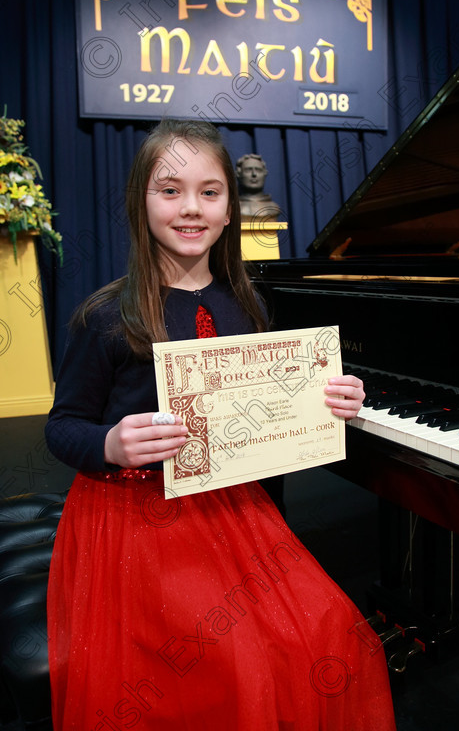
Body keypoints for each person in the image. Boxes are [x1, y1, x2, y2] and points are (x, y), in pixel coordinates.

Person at [45, 119, 396, 730]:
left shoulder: (248, 306)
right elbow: (61, 426)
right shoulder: (105, 316)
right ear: (139, 201)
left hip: (230, 509)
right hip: (135, 520)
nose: (191, 207)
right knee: (227, 659)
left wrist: (326, 400)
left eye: (210, 192)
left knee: (337, 631)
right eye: (169, 189)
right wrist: (108, 443)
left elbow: (265, 413)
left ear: (230, 209)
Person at [236, 152, 281, 219]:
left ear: (265, 174)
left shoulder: (272, 208)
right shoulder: (234, 209)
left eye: (258, 170)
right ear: (238, 174)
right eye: (248, 170)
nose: (254, 174)